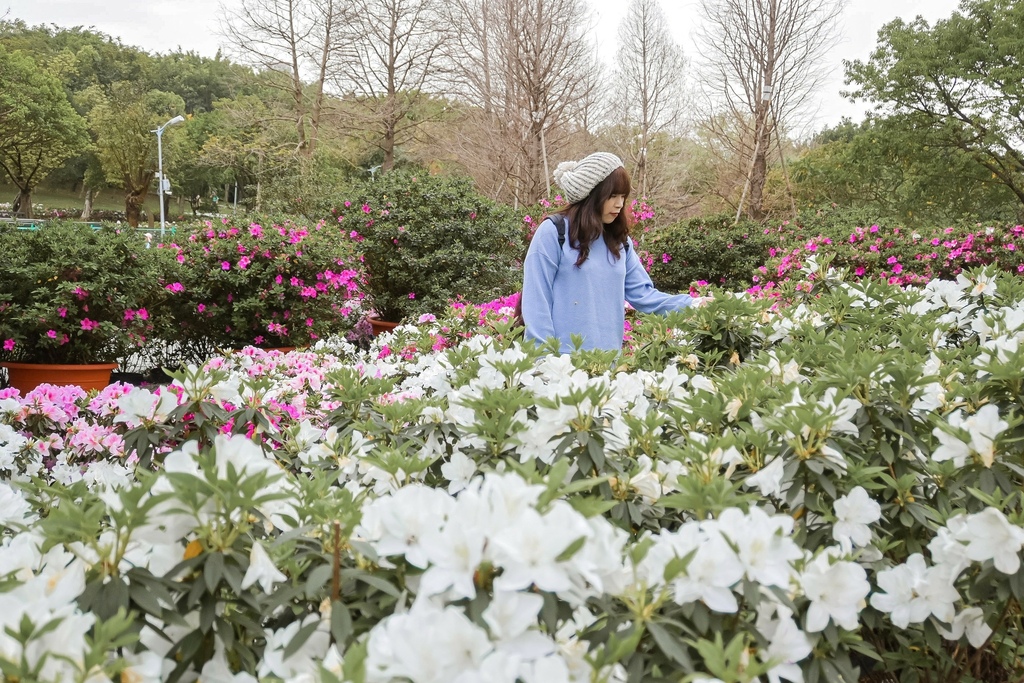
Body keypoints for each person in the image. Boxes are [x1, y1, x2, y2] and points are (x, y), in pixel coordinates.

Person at [521, 152, 695, 353]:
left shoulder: (620, 242)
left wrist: (695, 304)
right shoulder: (553, 233)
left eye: (623, 196)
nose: (620, 204)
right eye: (612, 196)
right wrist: (544, 361)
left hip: (607, 367)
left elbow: (644, 296)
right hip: (561, 368)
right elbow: (536, 301)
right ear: (591, 194)